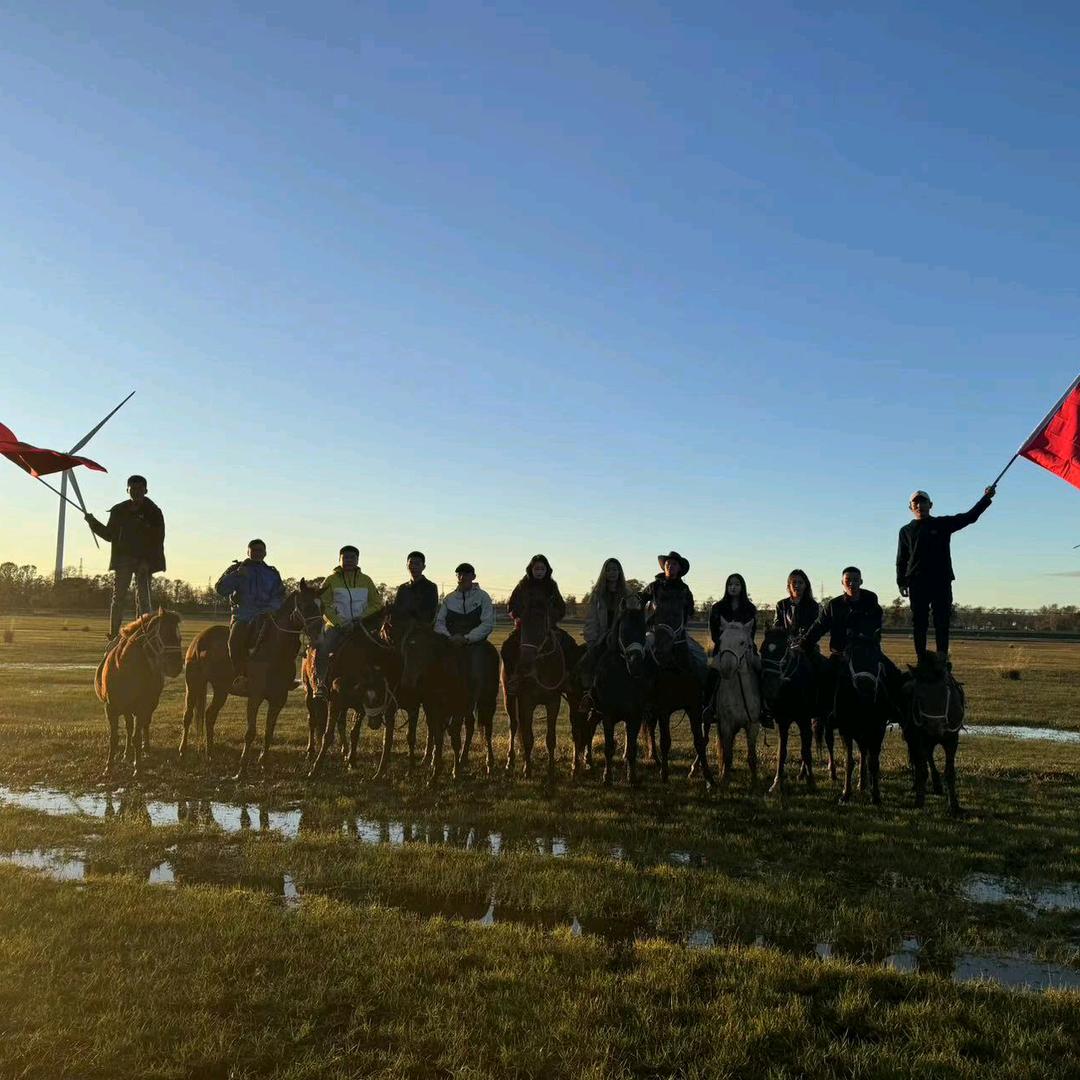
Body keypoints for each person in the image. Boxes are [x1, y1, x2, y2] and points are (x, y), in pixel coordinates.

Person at [896, 485, 996, 662]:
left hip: (941, 581)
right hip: (917, 582)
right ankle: (921, 659)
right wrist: (901, 582)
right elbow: (902, 559)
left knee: (942, 620)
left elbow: (969, 517)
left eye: (923, 502)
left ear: (931, 505)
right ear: (910, 507)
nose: (919, 505)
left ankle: (942, 658)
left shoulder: (942, 524)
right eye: (915, 503)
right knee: (919, 622)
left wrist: (986, 499)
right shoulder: (905, 531)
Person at [796, 566, 902, 714]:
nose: (852, 583)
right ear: (842, 583)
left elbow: (874, 625)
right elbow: (819, 626)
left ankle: (897, 713)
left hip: (868, 654)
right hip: (841, 655)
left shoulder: (871, 600)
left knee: (895, 675)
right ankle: (824, 717)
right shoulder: (833, 605)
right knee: (825, 680)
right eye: (848, 580)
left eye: (855, 580)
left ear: (861, 581)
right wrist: (803, 644)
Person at [85, 474, 165, 642]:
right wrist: (92, 522)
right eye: (133, 489)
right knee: (118, 597)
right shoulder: (119, 511)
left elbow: (157, 540)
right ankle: (114, 634)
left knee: (143, 599)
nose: (136, 492)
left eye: (140, 489)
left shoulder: (154, 512)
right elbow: (109, 535)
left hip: (144, 561)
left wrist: (147, 562)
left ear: (146, 490)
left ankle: (143, 632)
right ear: (127, 490)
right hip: (123, 560)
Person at [214, 539, 287, 694]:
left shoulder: (272, 573)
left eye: (260, 551)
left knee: (286, 640)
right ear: (248, 552)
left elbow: (279, 595)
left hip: (267, 616)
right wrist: (236, 575)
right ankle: (239, 676)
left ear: (265, 553)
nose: (257, 553)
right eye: (254, 550)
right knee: (234, 642)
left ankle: (284, 676)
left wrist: (270, 609)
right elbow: (221, 589)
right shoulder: (236, 569)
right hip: (243, 616)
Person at [313, 546, 382, 699]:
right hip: (336, 627)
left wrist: (361, 618)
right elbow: (324, 604)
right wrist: (340, 623)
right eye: (346, 558)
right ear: (340, 559)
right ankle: (321, 683)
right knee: (323, 648)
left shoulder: (366, 580)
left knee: (382, 649)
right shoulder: (330, 580)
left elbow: (377, 603)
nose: (349, 561)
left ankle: (381, 685)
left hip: (361, 627)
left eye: (352, 558)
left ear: (357, 560)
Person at [703, 573, 761, 724]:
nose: (733, 587)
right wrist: (725, 646)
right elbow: (714, 633)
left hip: (745, 649)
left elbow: (752, 633)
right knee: (711, 673)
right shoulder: (717, 608)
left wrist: (744, 648)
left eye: (736, 584)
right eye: (730, 584)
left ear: (742, 587)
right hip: (723, 649)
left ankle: (764, 709)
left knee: (761, 670)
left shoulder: (750, 609)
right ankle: (708, 707)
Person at [501, 554, 567, 678]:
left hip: (547, 627)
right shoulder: (523, 585)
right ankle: (511, 680)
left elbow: (561, 608)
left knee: (570, 645)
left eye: (542, 569)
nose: (539, 572)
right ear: (531, 569)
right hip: (525, 627)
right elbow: (511, 605)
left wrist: (551, 618)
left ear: (547, 570)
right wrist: (518, 616)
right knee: (507, 647)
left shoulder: (552, 586)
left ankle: (567, 678)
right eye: (536, 569)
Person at [435, 563, 495, 690]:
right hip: (451, 642)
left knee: (477, 672)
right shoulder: (449, 599)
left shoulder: (483, 597)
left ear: (473, 576)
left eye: (466, 574)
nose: (462, 577)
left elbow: (487, 623)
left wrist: (467, 638)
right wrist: (449, 637)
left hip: (475, 644)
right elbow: (439, 622)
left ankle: (480, 698)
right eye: (459, 574)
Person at [642, 551, 706, 671]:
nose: (670, 566)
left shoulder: (684, 590)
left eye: (674, 564)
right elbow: (639, 602)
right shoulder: (654, 586)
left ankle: (700, 689)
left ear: (679, 568)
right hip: (654, 632)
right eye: (668, 563)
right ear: (664, 566)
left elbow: (690, 611)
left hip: (678, 635)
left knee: (701, 658)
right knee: (639, 655)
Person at [578, 558, 630, 692]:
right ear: (604, 573)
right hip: (601, 638)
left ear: (619, 572)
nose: (612, 573)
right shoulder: (597, 595)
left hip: (622, 639)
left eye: (615, 569)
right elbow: (591, 619)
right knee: (584, 665)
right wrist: (591, 641)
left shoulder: (627, 595)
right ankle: (588, 696)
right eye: (608, 570)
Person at [388, 551, 439, 644]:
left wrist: (411, 620)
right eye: (411, 563)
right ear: (407, 565)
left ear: (423, 567)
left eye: (417, 564)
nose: (413, 567)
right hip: (400, 630)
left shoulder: (430, 587)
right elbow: (397, 610)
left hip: (421, 632)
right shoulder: (403, 588)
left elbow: (429, 613)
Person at [774, 569, 820, 636]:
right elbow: (777, 626)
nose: (797, 585)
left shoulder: (813, 605)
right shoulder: (781, 605)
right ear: (789, 586)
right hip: (784, 643)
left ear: (805, 585)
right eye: (794, 582)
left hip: (806, 643)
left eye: (800, 583)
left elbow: (813, 629)